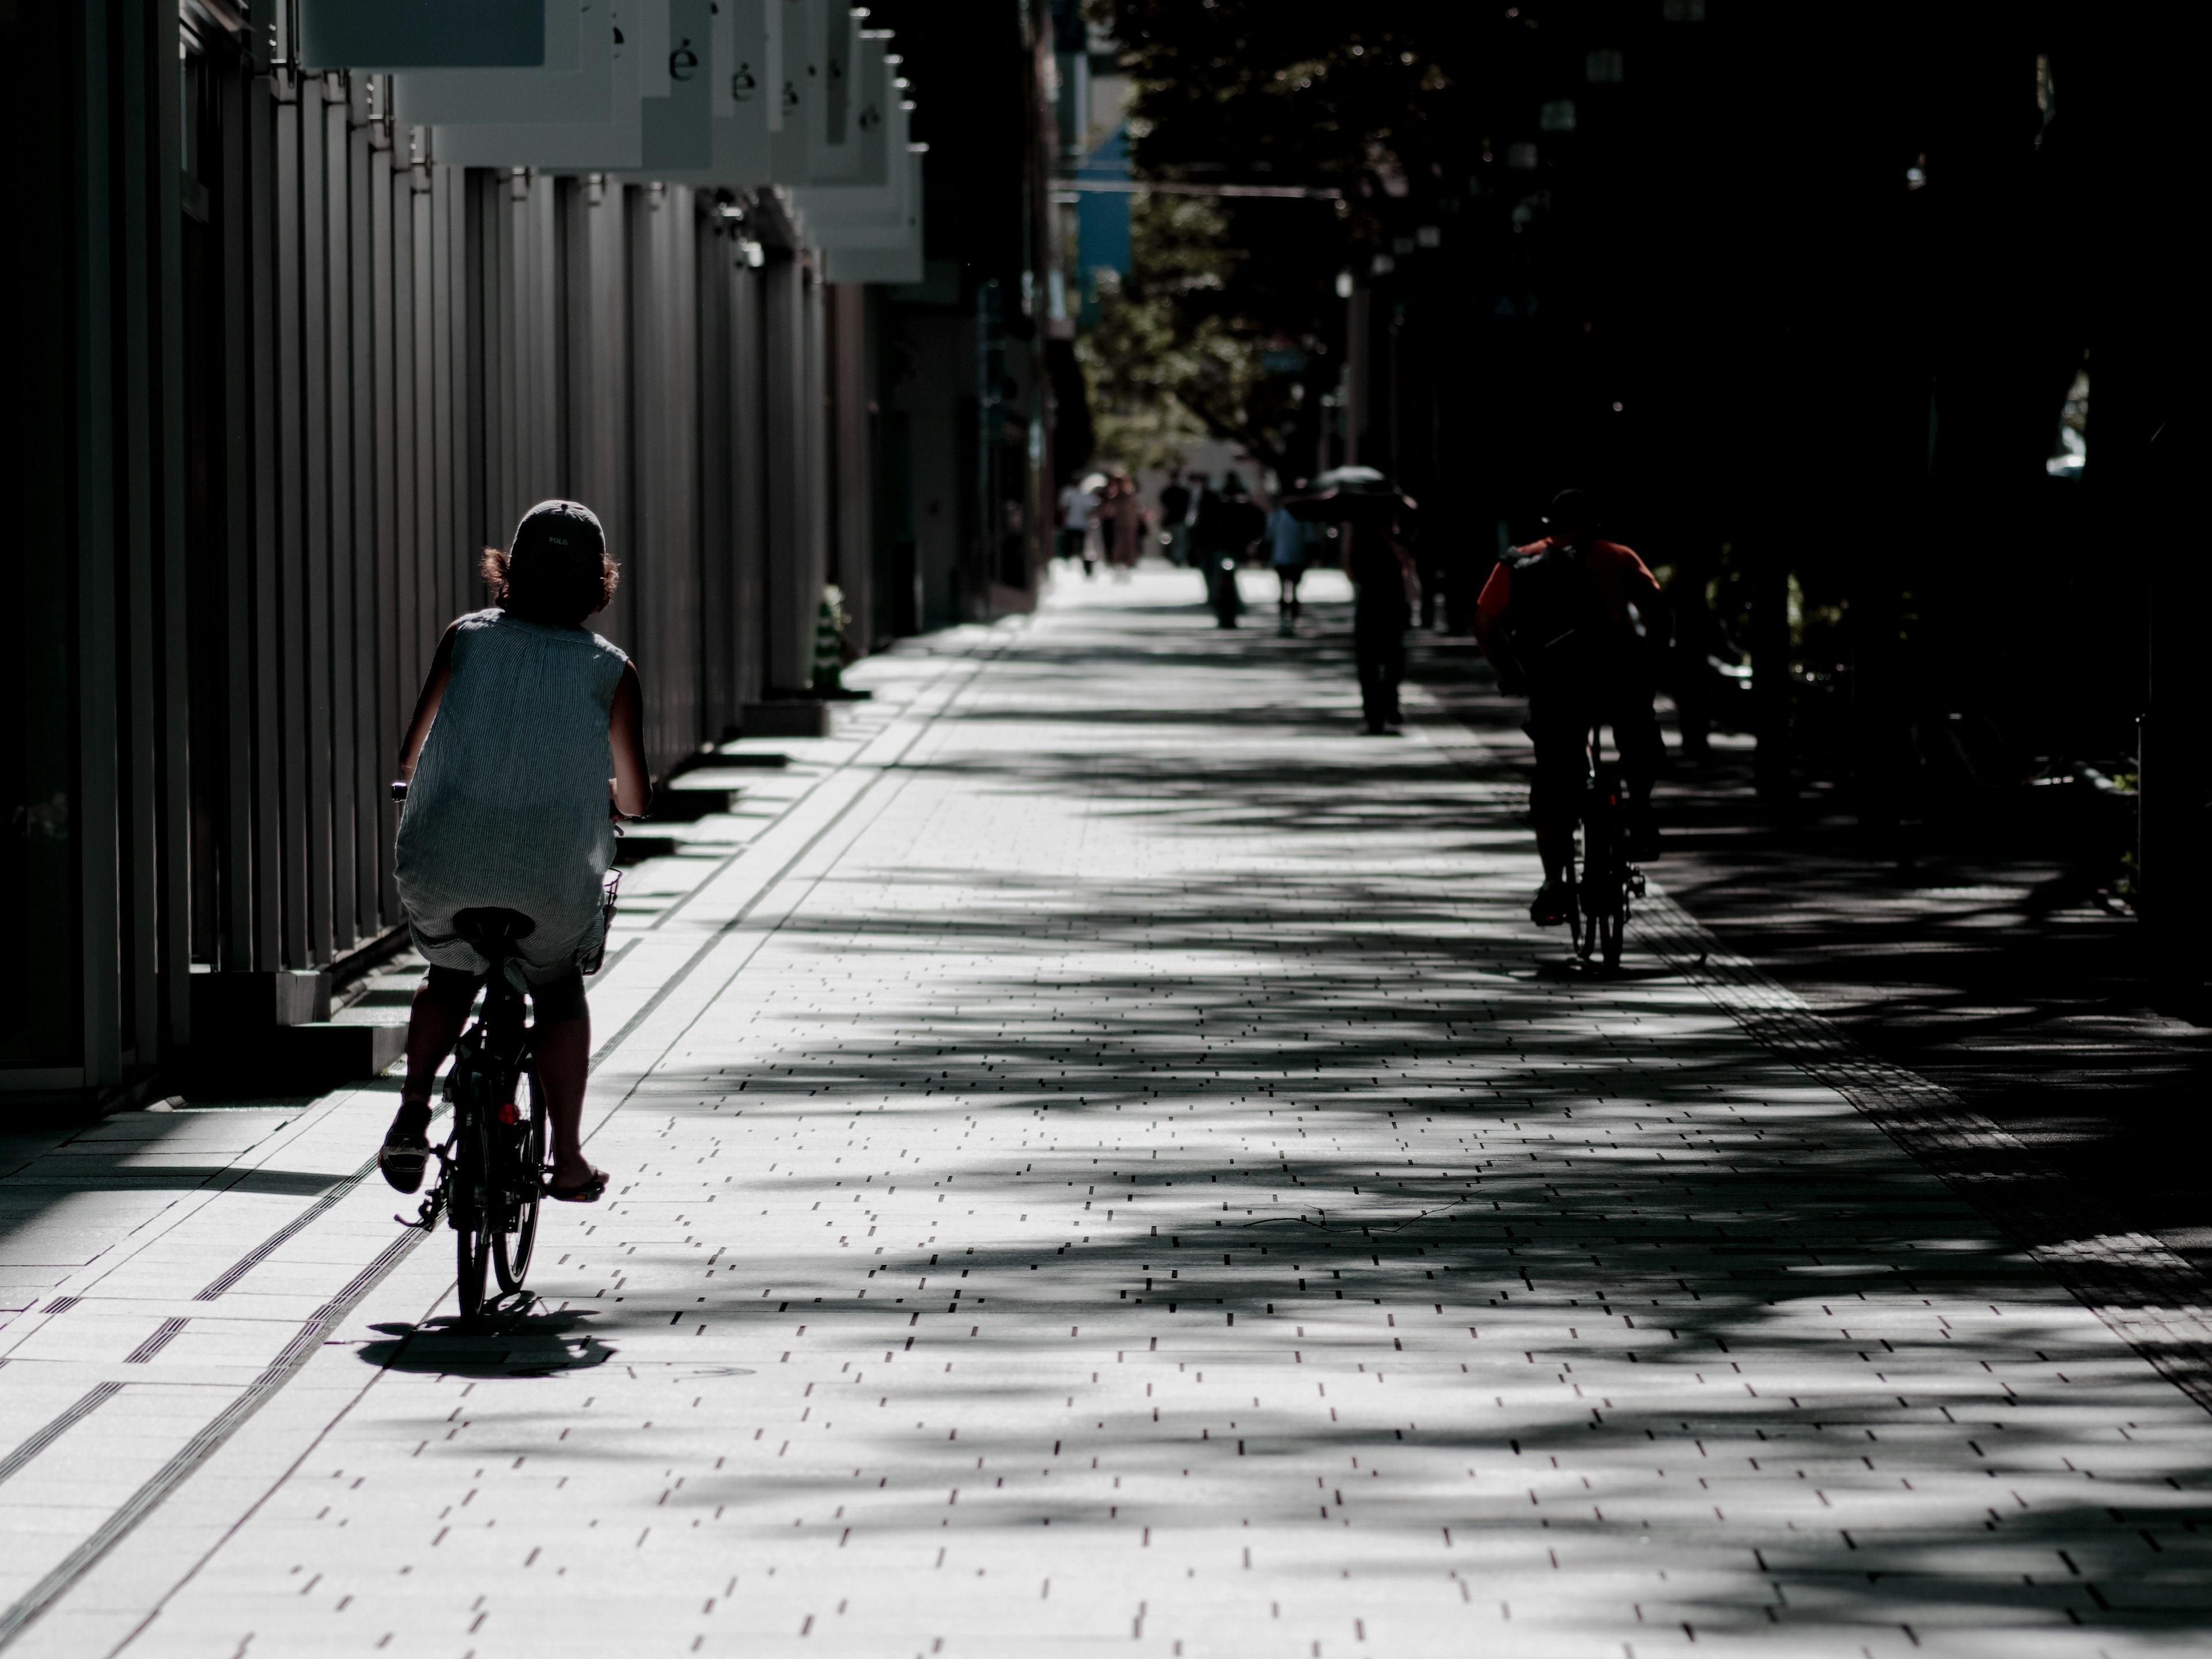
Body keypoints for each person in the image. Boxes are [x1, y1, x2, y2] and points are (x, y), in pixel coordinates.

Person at [377, 500, 651, 1204]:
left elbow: (413, 746)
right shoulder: (612, 670)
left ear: (509, 571)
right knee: (558, 991)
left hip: (445, 864)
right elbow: (637, 799)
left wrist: (416, 780)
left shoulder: (465, 637)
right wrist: (608, 801)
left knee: (447, 973)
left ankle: (411, 1114)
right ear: (597, 584)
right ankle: (567, 1160)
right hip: (553, 881)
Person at [1472, 489, 1668, 927]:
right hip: (1618, 678)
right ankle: (1639, 810)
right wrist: (1651, 662)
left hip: (1556, 682)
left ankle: (1554, 884)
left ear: (1550, 526)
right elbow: (1659, 612)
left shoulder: (1518, 562)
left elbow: (1485, 626)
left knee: (1554, 782)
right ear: (1595, 524)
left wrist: (1511, 674)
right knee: (1639, 733)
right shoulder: (1619, 556)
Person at [1350, 510, 1418, 733]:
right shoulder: (1367, 538)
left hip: (1377, 605)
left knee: (1384, 661)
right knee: (1385, 660)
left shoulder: (1390, 539)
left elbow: (1351, 571)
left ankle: (1381, 710)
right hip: (1387, 605)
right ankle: (1382, 709)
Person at [1265, 489, 1313, 634]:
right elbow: (1310, 539)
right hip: (1292, 559)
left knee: (1286, 590)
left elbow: (1269, 537)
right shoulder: (1294, 517)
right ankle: (1289, 620)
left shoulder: (1278, 516)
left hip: (1286, 558)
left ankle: (1287, 620)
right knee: (1291, 591)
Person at [1101, 470, 1146, 580]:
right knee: (1119, 545)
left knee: (1128, 545)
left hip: (1129, 523)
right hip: (1119, 523)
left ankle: (1126, 568)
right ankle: (1119, 568)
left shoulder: (1129, 495)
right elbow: (1108, 511)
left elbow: (1135, 509)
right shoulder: (1115, 496)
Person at [1157, 470, 1193, 567]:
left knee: (1175, 542)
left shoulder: (1170, 492)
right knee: (1176, 542)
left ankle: (1175, 559)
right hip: (1175, 521)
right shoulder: (1181, 492)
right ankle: (1175, 559)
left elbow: (1164, 508)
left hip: (1176, 521)